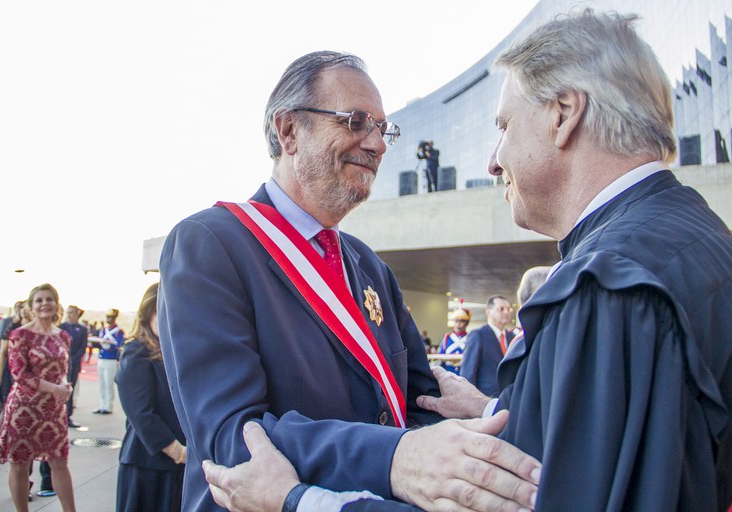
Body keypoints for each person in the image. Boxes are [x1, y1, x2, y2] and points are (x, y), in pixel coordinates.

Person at [161, 50, 540, 512]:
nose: (377, 143)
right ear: (288, 131)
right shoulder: (211, 243)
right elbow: (235, 440)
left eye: (383, 129)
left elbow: (418, 403)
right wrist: (395, 458)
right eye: (355, 121)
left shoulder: (368, 265)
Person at [479, 9, 732, 510]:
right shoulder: (698, 234)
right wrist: (501, 407)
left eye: (504, 125)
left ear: (564, 112)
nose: (493, 160)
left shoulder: (604, 284)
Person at [0, 283, 76, 512]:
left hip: (53, 410)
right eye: (39, 300)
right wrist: (55, 388)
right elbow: (20, 374)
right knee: (20, 464)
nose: (44, 304)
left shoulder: (64, 336)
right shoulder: (20, 335)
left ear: (56, 304)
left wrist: (65, 386)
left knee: (60, 463)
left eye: (49, 299)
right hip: (24, 408)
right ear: (31, 307)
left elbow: (62, 371)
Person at [116, 283, 186, 512]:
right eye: (160, 309)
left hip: (176, 465)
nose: (167, 315)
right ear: (147, 314)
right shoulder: (136, 351)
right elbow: (141, 414)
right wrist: (178, 452)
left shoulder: (175, 350)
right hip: (148, 465)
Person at [459, 295, 515, 397]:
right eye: (501, 309)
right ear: (488, 312)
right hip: (486, 400)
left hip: (510, 400)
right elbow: (468, 374)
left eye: (508, 309)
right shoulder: (478, 335)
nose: (506, 312)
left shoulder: (513, 338)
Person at [59, 305, 88, 428]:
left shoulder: (82, 329)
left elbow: (83, 346)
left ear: (77, 314)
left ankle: (68, 415)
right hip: (62, 364)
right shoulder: (62, 327)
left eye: (72, 313)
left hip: (74, 363)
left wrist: (75, 358)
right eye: (68, 312)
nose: (69, 315)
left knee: (71, 387)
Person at [94, 308, 124, 414]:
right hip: (102, 358)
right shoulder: (103, 330)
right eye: (107, 317)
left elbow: (119, 344)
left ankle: (108, 405)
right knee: (102, 383)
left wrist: (110, 344)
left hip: (111, 359)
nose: (108, 319)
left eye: (110, 317)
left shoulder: (118, 331)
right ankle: (102, 404)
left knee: (108, 383)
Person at [436, 305, 471, 374]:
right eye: (456, 321)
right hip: (449, 373)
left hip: (464, 374)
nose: (458, 324)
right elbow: (441, 357)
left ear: (467, 323)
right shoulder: (447, 337)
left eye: (461, 321)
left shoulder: (470, 338)